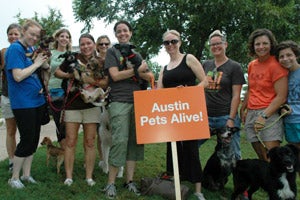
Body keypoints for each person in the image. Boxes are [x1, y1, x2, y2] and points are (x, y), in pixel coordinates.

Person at [103, 20, 153, 199]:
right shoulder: (112, 51)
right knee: (120, 140)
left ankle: (129, 181)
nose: (122, 33)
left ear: (131, 33)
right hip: (119, 100)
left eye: (125, 30)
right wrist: (136, 71)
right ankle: (110, 183)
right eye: (119, 31)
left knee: (135, 141)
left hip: (139, 100)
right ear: (115, 34)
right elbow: (115, 76)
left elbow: (147, 75)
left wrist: (143, 73)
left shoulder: (137, 54)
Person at [156, 30, 208, 200]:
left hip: (190, 111)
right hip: (172, 115)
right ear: (164, 46)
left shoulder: (189, 59)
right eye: (167, 42)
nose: (170, 45)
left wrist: (189, 92)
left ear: (180, 42)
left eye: (173, 41)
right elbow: (159, 91)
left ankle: (198, 190)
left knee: (192, 149)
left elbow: (205, 81)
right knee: (174, 149)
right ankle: (176, 184)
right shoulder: (164, 68)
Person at [55, 33, 107, 186]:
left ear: (94, 45)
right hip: (73, 105)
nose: (85, 47)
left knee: (90, 142)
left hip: (92, 105)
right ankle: (69, 177)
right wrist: (69, 75)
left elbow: (105, 82)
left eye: (88, 43)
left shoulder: (100, 61)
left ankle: (89, 177)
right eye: (82, 44)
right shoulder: (72, 57)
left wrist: (89, 80)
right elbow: (57, 72)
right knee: (70, 141)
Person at [5, 19, 49, 189]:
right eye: (31, 34)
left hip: (37, 100)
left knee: (33, 140)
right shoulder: (15, 48)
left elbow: (40, 69)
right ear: (23, 31)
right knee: (27, 139)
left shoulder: (31, 49)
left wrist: (42, 61)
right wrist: (37, 63)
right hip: (23, 103)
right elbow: (17, 76)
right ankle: (14, 178)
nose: (34, 38)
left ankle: (26, 175)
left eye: (37, 36)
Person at [240, 28, 288, 161]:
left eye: (265, 43)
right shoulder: (251, 65)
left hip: (269, 114)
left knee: (273, 157)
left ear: (271, 44)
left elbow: (281, 96)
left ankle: (277, 182)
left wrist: (264, 116)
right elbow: (251, 88)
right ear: (253, 46)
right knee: (262, 156)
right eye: (257, 44)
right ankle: (267, 182)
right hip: (251, 113)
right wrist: (244, 108)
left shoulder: (276, 65)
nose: (261, 47)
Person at [199, 30, 245, 160]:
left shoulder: (235, 67)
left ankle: (239, 178)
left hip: (225, 116)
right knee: (192, 145)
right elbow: (200, 89)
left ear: (226, 45)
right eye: (212, 44)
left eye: (218, 43)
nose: (215, 47)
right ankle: (189, 175)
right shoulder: (205, 64)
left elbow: (236, 96)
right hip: (207, 117)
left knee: (233, 152)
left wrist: (231, 119)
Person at [0, 23, 21, 172]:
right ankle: (12, 161)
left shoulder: (26, 51)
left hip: (24, 98)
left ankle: (23, 161)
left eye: (16, 34)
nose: (13, 36)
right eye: (10, 34)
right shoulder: (3, 52)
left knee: (26, 131)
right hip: (8, 96)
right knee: (10, 130)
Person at [48, 28, 72, 149]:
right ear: (57, 38)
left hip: (70, 91)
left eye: (67, 37)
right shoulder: (50, 53)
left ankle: (68, 152)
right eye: (62, 36)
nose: (64, 39)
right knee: (59, 122)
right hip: (54, 90)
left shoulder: (72, 54)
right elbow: (45, 72)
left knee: (70, 123)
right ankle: (63, 151)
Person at [275, 40, 300, 148]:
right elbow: (279, 97)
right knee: (295, 152)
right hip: (290, 121)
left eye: (289, 55)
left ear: (296, 55)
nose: (285, 59)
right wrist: (282, 108)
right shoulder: (281, 76)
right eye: (282, 56)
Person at [95, 35, 111, 167]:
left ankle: (113, 160)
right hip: (97, 97)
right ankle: (103, 160)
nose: (104, 46)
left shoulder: (114, 59)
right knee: (99, 131)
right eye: (101, 44)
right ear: (97, 46)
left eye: (106, 44)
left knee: (111, 129)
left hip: (111, 97)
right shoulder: (95, 61)